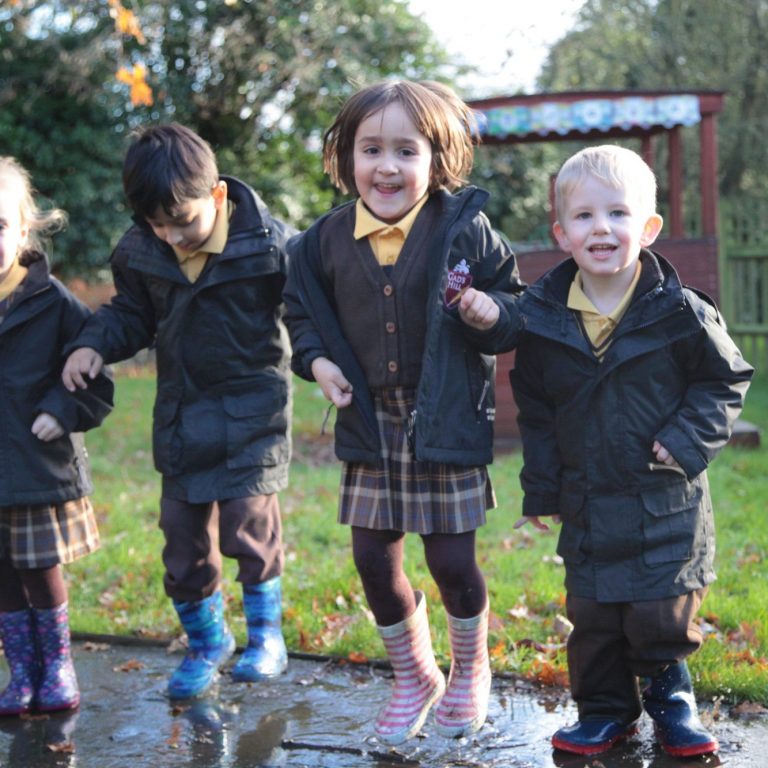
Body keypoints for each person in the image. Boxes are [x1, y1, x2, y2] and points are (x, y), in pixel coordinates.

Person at [284, 79, 525, 745]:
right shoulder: (323, 242)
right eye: (370, 149)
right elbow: (302, 313)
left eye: (405, 150)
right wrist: (316, 362)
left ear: (436, 157)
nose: (387, 166)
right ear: (344, 157)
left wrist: (491, 313)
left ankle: (471, 666)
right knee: (371, 558)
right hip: (371, 420)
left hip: (443, 414)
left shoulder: (464, 230)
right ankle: (414, 674)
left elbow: (515, 305)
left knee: (450, 561)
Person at [510, 144, 753, 758]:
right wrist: (541, 489)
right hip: (587, 498)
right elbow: (537, 413)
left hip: (662, 495)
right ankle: (604, 710)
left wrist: (684, 440)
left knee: (658, 613)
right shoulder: (544, 323)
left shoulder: (680, 312)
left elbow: (724, 380)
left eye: (618, 215)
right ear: (562, 234)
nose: (602, 229)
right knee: (592, 616)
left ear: (647, 229)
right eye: (586, 217)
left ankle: (673, 702)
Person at [62, 123, 295, 700]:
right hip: (182, 414)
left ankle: (266, 637)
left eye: (183, 221)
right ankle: (206, 642)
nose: (172, 237)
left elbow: (313, 311)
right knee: (182, 539)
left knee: (249, 523)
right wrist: (94, 342)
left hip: (252, 411)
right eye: (156, 225)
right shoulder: (140, 252)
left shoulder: (270, 246)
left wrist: (332, 361)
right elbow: (130, 315)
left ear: (217, 196)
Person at [0, 157, 114, 715]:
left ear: (23, 230)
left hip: (37, 466)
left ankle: (58, 668)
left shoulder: (55, 304)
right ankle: (22, 672)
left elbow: (93, 376)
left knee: (39, 571)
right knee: (1, 574)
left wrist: (61, 409)